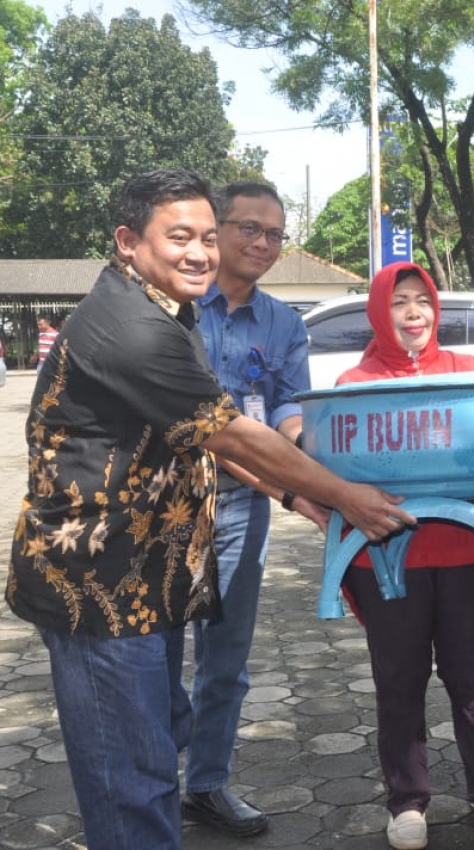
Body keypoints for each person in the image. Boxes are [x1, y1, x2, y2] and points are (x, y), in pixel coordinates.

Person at [6, 169, 416, 850]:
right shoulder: (132, 327)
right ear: (128, 241)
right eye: (181, 238)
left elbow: (238, 429)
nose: (200, 253)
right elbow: (228, 432)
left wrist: (303, 487)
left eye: (204, 238)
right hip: (102, 586)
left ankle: (203, 785)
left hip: (153, 566)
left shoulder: (173, 311)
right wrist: (345, 495)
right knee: (131, 778)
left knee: (160, 736)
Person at [335, 261, 474, 850]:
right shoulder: (353, 383)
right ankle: (408, 802)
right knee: (399, 682)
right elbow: (340, 468)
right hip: (386, 558)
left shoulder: (469, 372)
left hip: (469, 550)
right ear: (378, 311)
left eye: (422, 300)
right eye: (399, 302)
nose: (413, 312)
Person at [185, 182, 321, 836]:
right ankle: (148, 785)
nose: (263, 243)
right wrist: (295, 488)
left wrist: (305, 447)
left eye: (274, 234)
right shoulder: (178, 305)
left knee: (226, 659)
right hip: (165, 503)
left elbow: (289, 405)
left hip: (244, 505)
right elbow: (200, 425)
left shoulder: (284, 324)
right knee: (153, 657)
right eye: (250, 228)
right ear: (217, 227)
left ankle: (205, 784)